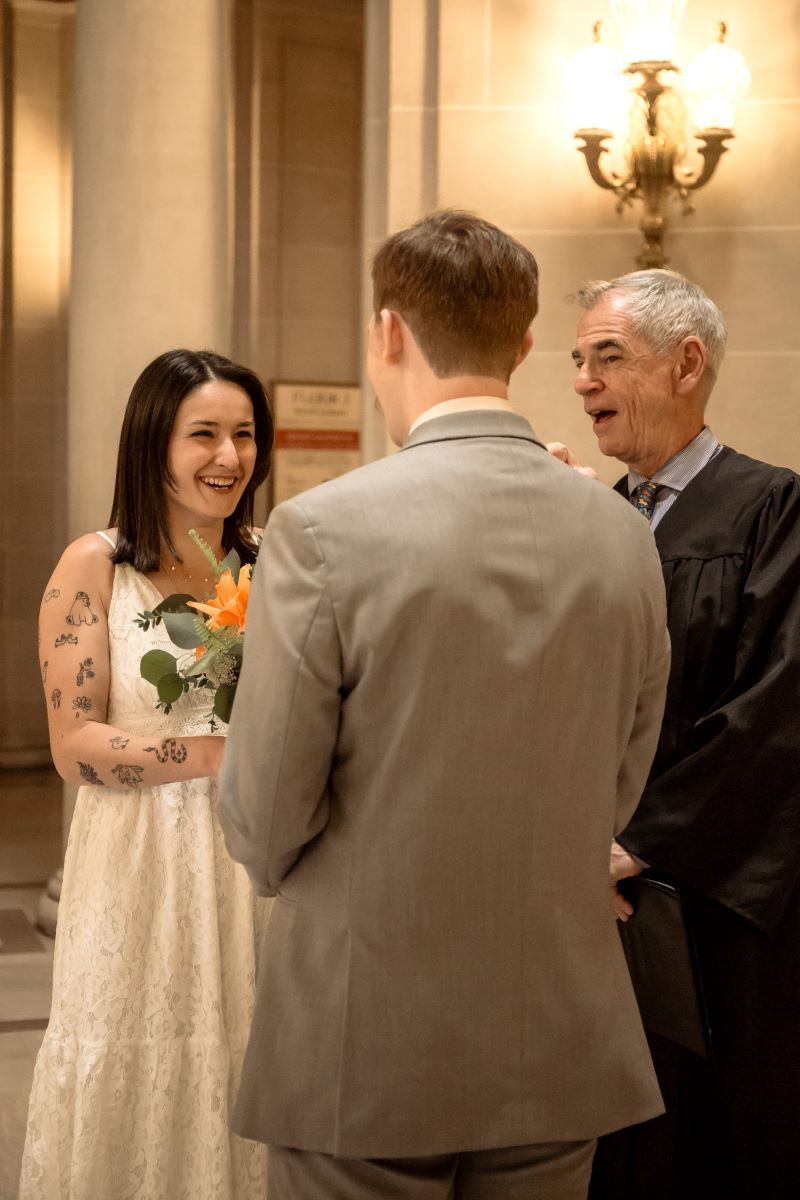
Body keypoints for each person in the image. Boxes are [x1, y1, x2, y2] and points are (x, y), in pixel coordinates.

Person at [218, 210, 671, 1200]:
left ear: (388, 332)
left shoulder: (324, 529)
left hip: (363, 1029)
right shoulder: (620, 533)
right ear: (519, 342)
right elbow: (624, 771)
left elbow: (263, 806)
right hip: (553, 1030)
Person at [565, 269, 800, 1200]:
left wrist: (638, 845)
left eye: (608, 357)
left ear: (687, 364)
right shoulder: (594, 518)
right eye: (578, 360)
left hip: (710, 894)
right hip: (591, 887)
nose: (582, 380)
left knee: (713, 1128)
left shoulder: (774, 510)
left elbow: (777, 710)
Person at [19, 349, 274, 1200]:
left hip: (256, 868)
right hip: (138, 868)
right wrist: (218, 757)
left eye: (244, 434)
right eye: (203, 434)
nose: (229, 457)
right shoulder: (95, 567)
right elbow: (74, 744)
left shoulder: (274, 561)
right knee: (136, 1053)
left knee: (251, 1056)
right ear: (152, 444)